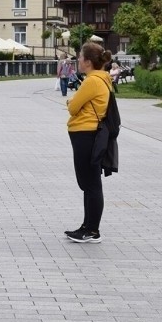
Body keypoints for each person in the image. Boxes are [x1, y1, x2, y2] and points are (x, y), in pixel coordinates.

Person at [64, 42, 114, 243]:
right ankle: (87, 226)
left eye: (80, 57)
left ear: (88, 62)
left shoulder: (92, 81)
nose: (78, 60)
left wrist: (70, 102)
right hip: (87, 134)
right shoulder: (100, 79)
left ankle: (92, 230)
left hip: (86, 134)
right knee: (89, 183)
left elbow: (73, 107)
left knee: (91, 183)